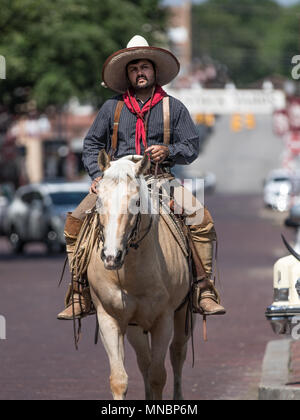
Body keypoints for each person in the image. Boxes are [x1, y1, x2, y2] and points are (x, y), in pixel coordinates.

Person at [57, 35, 226, 320]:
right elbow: (91, 145)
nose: (140, 72)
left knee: (201, 220)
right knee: (75, 223)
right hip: (116, 182)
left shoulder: (175, 107)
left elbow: (192, 146)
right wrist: (99, 175)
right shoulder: (112, 108)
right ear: (128, 74)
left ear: (154, 71)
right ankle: (79, 292)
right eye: (134, 68)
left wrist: (168, 150)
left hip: (160, 180)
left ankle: (203, 289)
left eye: (144, 67)